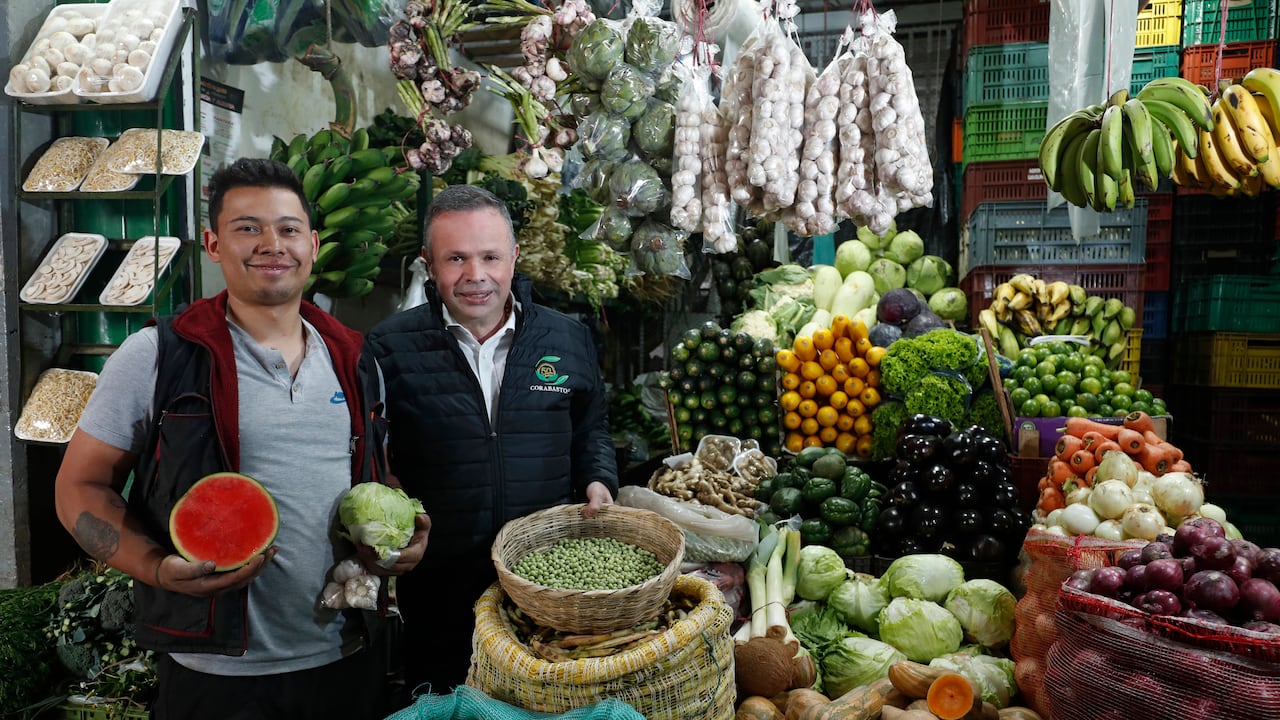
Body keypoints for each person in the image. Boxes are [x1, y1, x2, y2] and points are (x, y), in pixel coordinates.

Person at [54, 157, 429, 720]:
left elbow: (372, 472)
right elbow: (79, 487)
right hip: (216, 674)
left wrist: (402, 531)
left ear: (313, 243)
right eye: (247, 227)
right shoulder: (159, 355)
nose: (270, 243)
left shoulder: (356, 357)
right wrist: (156, 568)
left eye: (288, 228)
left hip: (347, 654)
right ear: (212, 244)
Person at [365, 184, 618, 693]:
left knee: (540, 699)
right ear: (429, 265)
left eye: (490, 257)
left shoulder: (566, 338)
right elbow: (373, 452)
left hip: (544, 580)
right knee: (446, 700)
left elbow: (591, 427)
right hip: (439, 586)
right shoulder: (389, 346)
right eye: (455, 258)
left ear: (514, 257)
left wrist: (597, 478)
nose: (475, 276)